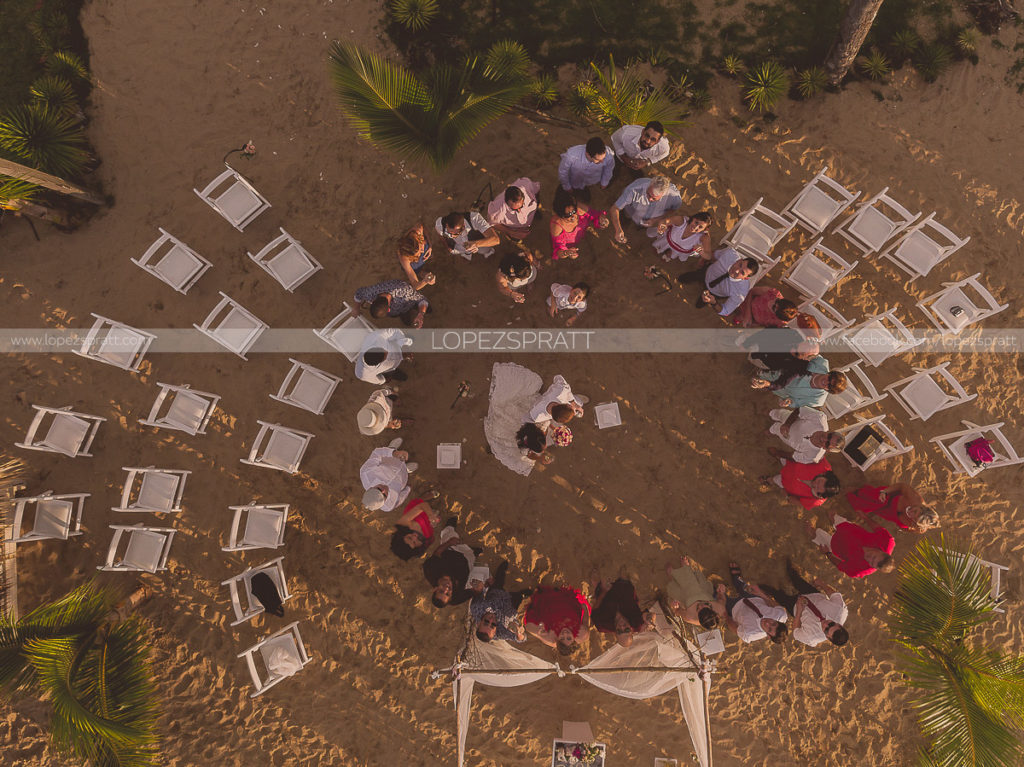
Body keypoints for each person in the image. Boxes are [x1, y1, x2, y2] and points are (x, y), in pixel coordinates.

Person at [758, 560, 849, 648]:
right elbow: (832, 593)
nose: (825, 624)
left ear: (828, 638)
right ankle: (788, 568)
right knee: (796, 579)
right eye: (831, 624)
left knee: (778, 595)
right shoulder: (840, 610)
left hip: (795, 608)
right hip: (812, 594)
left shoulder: (811, 638)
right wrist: (821, 584)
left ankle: (761, 584)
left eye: (826, 630)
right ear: (839, 625)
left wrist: (799, 612)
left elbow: (795, 631)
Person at [677, 246, 758, 318]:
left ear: (745, 278)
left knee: (700, 303)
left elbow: (725, 311)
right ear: (739, 260)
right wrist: (704, 259)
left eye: (742, 273)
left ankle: (701, 303)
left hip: (715, 294)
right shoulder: (729, 254)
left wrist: (714, 302)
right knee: (690, 276)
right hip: (706, 273)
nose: (736, 270)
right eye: (740, 265)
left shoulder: (741, 291)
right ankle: (684, 278)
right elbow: (714, 255)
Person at [810, 512, 896, 578]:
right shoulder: (887, 541)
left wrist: (828, 554)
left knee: (812, 532)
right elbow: (877, 528)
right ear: (881, 551)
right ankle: (832, 519)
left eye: (871, 563)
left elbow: (840, 565)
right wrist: (864, 516)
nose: (868, 558)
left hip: (836, 546)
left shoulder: (859, 571)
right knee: (832, 515)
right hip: (848, 529)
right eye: (873, 557)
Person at [724, 562, 788, 645]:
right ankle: (736, 578)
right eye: (773, 623)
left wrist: (725, 615)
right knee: (741, 585)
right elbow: (775, 605)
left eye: (769, 629)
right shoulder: (781, 615)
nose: (768, 623)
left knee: (715, 594)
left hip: (735, 608)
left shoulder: (750, 634)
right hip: (754, 598)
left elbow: (734, 628)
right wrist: (761, 594)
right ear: (778, 621)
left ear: (768, 636)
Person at [423, 519, 481, 608]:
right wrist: (479, 587)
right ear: (451, 597)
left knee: (447, 533)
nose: (446, 589)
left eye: (441, 591)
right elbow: (474, 591)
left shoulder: (430, 571)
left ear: (435, 589)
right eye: (447, 594)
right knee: (472, 557)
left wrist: (449, 543)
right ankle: (473, 552)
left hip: (452, 550)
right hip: (467, 565)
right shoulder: (456, 598)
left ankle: (450, 525)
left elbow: (437, 553)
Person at [609, 175, 681, 244]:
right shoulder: (634, 189)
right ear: (650, 184)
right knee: (626, 216)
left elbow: (673, 210)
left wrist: (656, 220)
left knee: (641, 226)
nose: (649, 199)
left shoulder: (674, 197)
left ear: (663, 194)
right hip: (632, 212)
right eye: (648, 194)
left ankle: (640, 226)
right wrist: (618, 229)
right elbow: (615, 208)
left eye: (654, 198)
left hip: (651, 220)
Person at [471, 564, 533, 642]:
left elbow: (479, 591)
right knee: (523, 598)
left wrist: (484, 585)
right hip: (512, 604)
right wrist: (519, 634)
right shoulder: (500, 633)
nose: (491, 620)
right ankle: (522, 594)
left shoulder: (476, 607)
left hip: (496, 593)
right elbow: (522, 639)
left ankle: (501, 571)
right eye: (493, 625)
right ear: (495, 632)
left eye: (486, 622)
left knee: (500, 574)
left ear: (479, 623)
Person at [524, 585, 592, 656]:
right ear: (574, 639)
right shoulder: (583, 633)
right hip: (570, 611)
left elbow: (528, 627)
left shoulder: (550, 638)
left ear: (557, 640)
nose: (565, 633)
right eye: (569, 638)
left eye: (562, 638)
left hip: (552, 612)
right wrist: (584, 607)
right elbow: (585, 619)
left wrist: (539, 630)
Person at [664, 556, 728, 630]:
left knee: (676, 582)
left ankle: (673, 577)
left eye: (698, 609)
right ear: (714, 612)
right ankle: (686, 569)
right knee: (696, 581)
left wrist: (675, 606)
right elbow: (721, 599)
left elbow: (677, 611)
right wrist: (721, 592)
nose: (700, 605)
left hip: (685, 596)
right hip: (702, 591)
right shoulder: (720, 609)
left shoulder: (690, 617)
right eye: (705, 605)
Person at [846, 482, 940, 532]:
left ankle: (853, 497)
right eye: (915, 511)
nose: (911, 514)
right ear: (921, 507)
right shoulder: (915, 499)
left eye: (914, 519)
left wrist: (906, 528)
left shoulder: (919, 527)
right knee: (870, 498)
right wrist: (884, 492)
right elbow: (902, 486)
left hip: (888, 513)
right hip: (888, 497)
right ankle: (858, 491)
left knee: (866, 507)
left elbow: (908, 530)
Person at [590, 575, 651, 647]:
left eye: (619, 631)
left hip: (607, 589)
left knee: (595, 575)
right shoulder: (636, 624)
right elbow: (648, 616)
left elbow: (594, 612)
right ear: (631, 630)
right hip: (625, 583)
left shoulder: (603, 625)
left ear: (615, 633)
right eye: (627, 630)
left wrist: (603, 591)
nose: (622, 627)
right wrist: (650, 620)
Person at [761, 454, 841, 510]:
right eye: (819, 481)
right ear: (825, 475)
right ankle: (778, 457)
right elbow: (815, 453)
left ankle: (769, 480)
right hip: (791, 463)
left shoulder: (816, 501)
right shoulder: (824, 466)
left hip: (785, 482)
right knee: (780, 457)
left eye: (816, 488)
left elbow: (799, 503)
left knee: (776, 479)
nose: (814, 484)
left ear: (821, 494)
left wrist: (787, 496)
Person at [767, 408, 845, 464]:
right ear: (831, 431)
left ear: (826, 449)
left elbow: (794, 457)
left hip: (787, 438)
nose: (824, 439)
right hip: (789, 418)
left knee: (775, 430)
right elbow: (799, 410)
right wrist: (787, 424)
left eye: (827, 444)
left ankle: (771, 430)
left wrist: (778, 453)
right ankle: (771, 413)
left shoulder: (813, 456)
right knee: (778, 413)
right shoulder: (819, 418)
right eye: (829, 436)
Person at [549, 188, 608, 260]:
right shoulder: (556, 225)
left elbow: (595, 216)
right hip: (568, 245)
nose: (573, 216)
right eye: (568, 215)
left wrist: (602, 220)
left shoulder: (579, 208)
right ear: (560, 215)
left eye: (574, 211)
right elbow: (558, 249)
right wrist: (566, 252)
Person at [360, 438, 417, 512]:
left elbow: (376, 454)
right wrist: (407, 489)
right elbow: (400, 499)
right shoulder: (389, 506)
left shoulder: (366, 473)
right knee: (404, 472)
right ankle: (406, 469)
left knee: (390, 453)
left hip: (390, 460)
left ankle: (392, 448)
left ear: (370, 488)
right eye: (384, 495)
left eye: (378, 489)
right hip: (402, 477)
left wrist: (394, 453)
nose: (384, 490)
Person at [753, 367, 847, 410]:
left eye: (829, 386)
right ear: (830, 373)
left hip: (779, 390)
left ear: (828, 390)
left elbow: (797, 403)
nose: (826, 382)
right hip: (779, 370)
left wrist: (789, 401)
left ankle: (764, 382)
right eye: (830, 378)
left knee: (758, 382)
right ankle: (762, 371)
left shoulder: (818, 400)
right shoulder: (820, 363)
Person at [352, 279, 429, 328]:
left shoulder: (403, 291)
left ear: (389, 309)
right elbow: (359, 293)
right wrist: (356, 308)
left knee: (416, 305)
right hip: (398, 310)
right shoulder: (369, 293)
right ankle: (404, 314)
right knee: (401, 313)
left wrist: (421, 313)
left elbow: (421, 299)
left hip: (408, 302)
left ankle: (411, 309)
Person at [435, 210, 500, 260]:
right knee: (458, 251)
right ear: (446, 224)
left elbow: (496, 240)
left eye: (455, 234)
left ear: (463, 226)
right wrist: (447, 246)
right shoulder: (440, 225)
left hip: (476, 240)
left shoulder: (475, 218)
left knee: (485, 250)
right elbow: (440, 235)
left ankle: (488, 252)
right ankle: (466, 255)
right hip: (459, 245)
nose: (452, 236)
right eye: (449, 233)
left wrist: (475, 243)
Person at [733, 286, 799, 329]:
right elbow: (752, 291)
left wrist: (752, 322)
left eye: (773, 307)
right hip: (748, 301)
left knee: (746, 324)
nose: (772, 303)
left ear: (777, 315)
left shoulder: (779, 322)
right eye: (777, 301)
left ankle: (740, 315)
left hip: (753, 317)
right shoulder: (774, 293)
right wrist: (748, 313)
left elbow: (763, 325)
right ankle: (739, 314)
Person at [396, 223, 436, 291]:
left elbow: (422, 227)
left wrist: (430, 246)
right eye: (418, 254)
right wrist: (425, 281)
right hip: (412, 262)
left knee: (426, 250)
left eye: (420, 248)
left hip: (419, 247)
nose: (422, 251)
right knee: (415, 268)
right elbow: (415, 285)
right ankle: (420, 272)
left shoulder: (417, 231)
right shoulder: (403, 258)